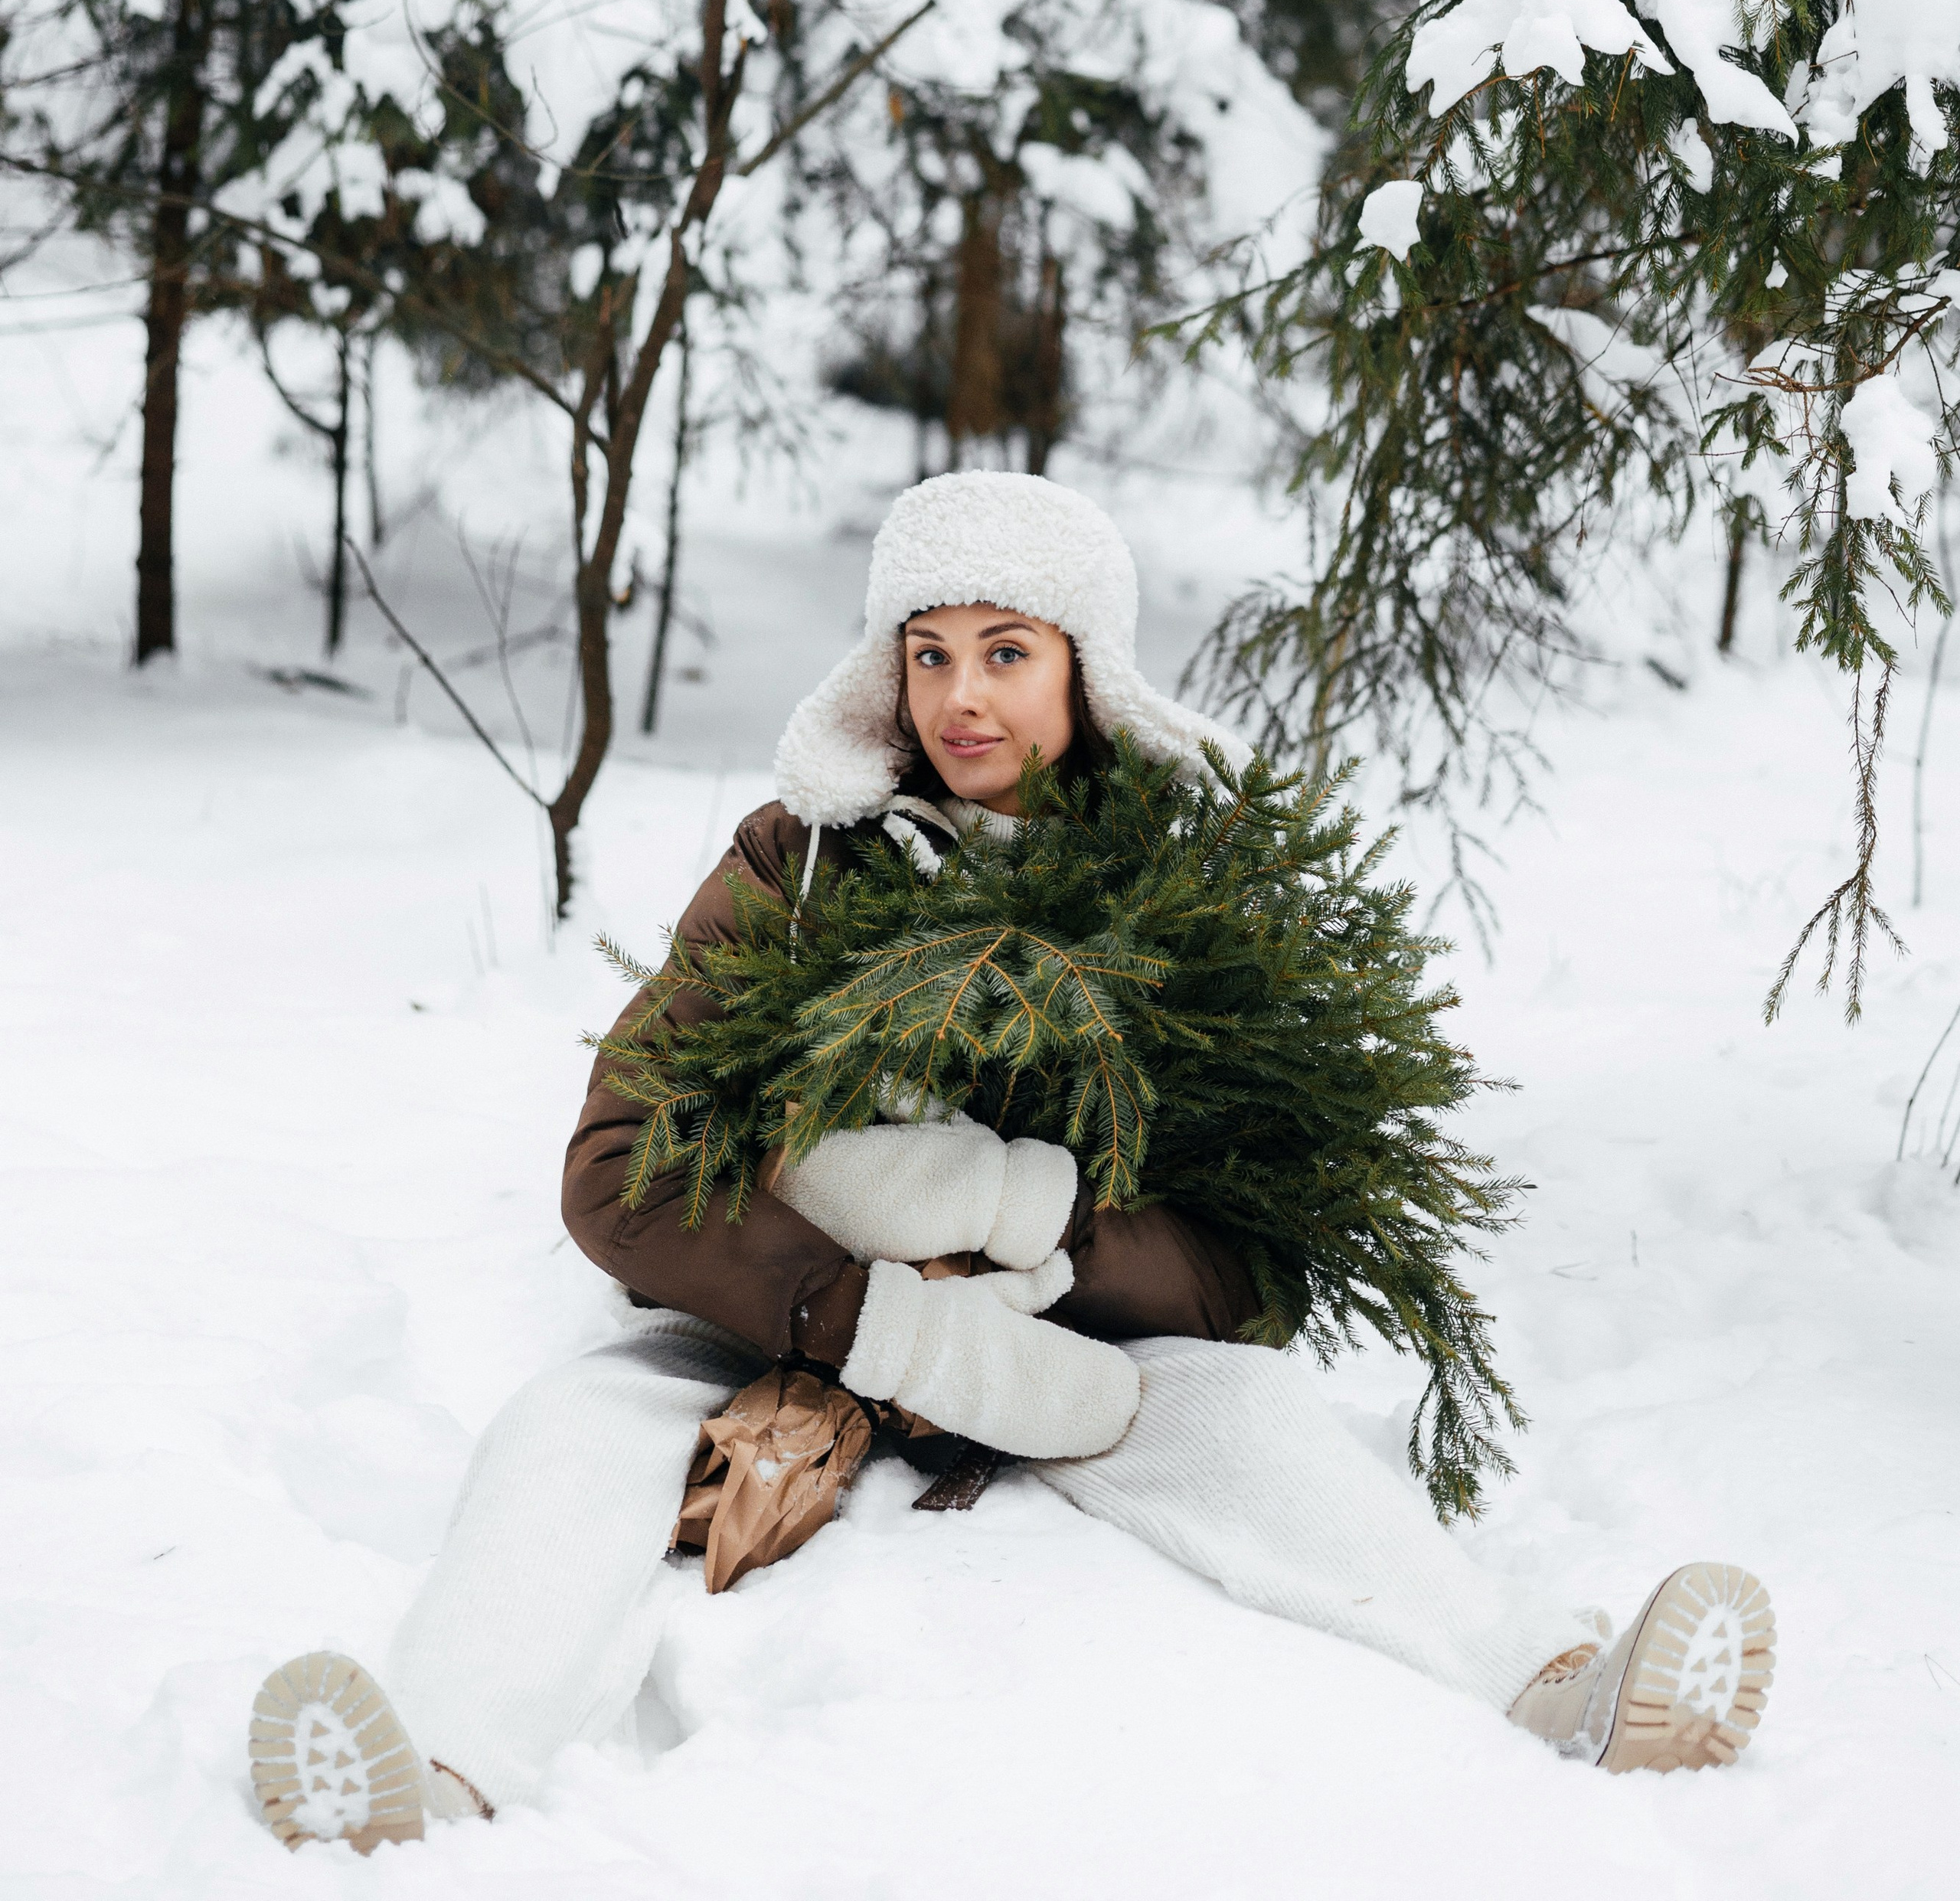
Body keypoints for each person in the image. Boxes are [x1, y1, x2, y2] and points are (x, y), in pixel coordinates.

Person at [247, 472, 1776, 1854]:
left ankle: (1549, 1678)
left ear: (1083, 669)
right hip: (785, 1314)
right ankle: (434, 1766)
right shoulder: (798, 863)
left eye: (1004, 652)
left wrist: (1047, 1247)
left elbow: (1254, 1261)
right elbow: (617, 1165)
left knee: (1248, 1420)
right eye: (928, 654)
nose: (959, 698)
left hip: (1058, 1343)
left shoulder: (1183, 897)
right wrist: (857, 1313)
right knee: (574, 1427)